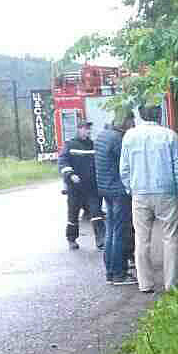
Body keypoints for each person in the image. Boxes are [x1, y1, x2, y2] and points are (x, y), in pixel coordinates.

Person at [119, 105, 178, 293]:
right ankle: (171, 283)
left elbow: (124, 168)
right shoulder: (170, 135)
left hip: (139, 193)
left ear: (140, 115)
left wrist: (129, 188)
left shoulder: (129, 136)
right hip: (166, 192)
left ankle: (145, 284)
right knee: (170, 238)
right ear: (159, 115)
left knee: (142, 239)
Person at [94, 110, 136, 285]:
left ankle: (111, 272)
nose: (133, 125)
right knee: (119, 232)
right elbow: (127, 163)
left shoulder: (102, 135)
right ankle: (119, 274)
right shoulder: (117, 139)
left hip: (105, 190)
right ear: (124, 120)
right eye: (131, 121)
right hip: (118, 190)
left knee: (111, 231)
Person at [57, 120, 104, 251]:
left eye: (89, 129)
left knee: (97, 213)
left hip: (92, 187)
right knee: (73, 215)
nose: (88, 131)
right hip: (75, 188)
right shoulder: (70, 145)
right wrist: (71, 175)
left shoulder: (93, 145)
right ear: (79, 129)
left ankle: (101, 240)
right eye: (85, 128)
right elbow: (62, 162)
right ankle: (71, 239)